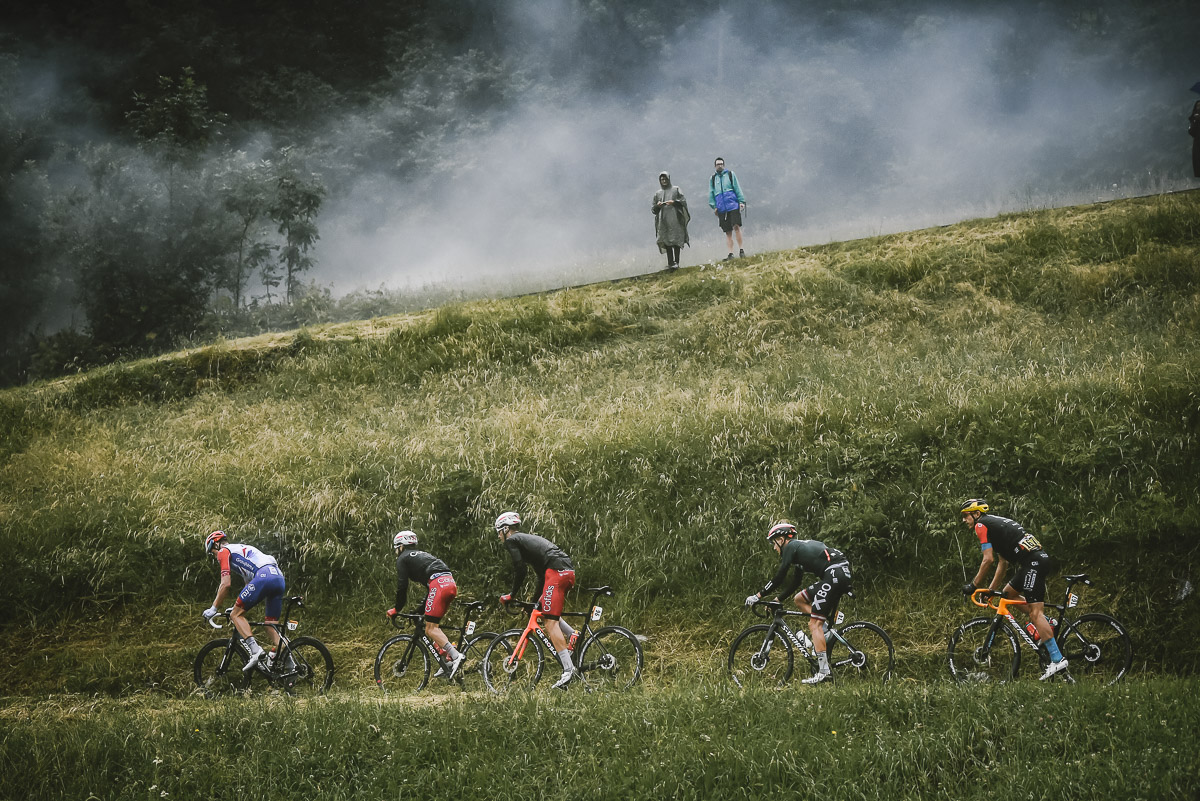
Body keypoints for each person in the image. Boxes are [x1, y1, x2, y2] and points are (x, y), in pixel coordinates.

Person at [959, 498, 1068, 680]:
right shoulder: (996, 526)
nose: (964, 520)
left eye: (965, 515)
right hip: (1034, 561)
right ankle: (1047, 623)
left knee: (1035, 613)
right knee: (1007, 595)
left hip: (1033, 563)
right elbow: (1002, 563)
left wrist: (974, 585)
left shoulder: (981, 526)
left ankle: (1056, 659)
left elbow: (988, 560)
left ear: (976, 514)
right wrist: (991, 590)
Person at [745, 521, 852, 684]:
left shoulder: (790, 547)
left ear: (781, 540)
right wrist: (777, 599)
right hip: (837, 572)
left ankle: (824, 671)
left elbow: (780, 575)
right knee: (799, 599)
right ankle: (826, 632)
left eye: (774, 544)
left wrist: (758, 595)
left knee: (813, 624)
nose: (774, 548)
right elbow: (794, 583)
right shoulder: (799, 552)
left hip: (834, 573)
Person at [494, 511, 579, 689]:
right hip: (566, 572)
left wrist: (512, 595)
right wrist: (533, 602)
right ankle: (572, 635)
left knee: (550, 623)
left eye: (499, 532)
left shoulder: (512, 541)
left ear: (506, 529)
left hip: (556, 572)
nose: (499, 536)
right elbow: (541, 578)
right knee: (547, 612)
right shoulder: (529, 544)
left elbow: (520, 569)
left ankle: (568, 670)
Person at [201, 530, 286, 674]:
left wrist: (214, 608)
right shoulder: (240, 551)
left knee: (236, 616)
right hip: (278, 577)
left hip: (264, 576)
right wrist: (234, 606)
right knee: (271, 626)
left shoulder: (223, 552)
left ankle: (255, 651)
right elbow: (249, 588)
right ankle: (291, 667)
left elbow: (225, 584)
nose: (214, 557)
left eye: (212, 553)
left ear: (215, 545)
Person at [386, 530, 465, 679]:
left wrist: (397, 608)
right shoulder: (422, 556)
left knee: (430, 629)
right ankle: (445, 661)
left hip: (439, 585)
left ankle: (455, 656)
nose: (397, 552)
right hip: (449, 584)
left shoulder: (402, 558)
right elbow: (430, 590)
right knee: (433, 625)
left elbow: (402, 586)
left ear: (400, 547)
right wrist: (418, 611)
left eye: (396, 549)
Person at [707, 156, 747, 261]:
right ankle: (730, 253)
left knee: (736, 227)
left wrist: (741, 201)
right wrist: (714, 206)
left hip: (733, 205)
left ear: (724, 165)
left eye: (721, 164)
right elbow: (711, 193)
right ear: (715, 166)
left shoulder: (730, 175)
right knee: (727, 231)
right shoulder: (713, 179)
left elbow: (737, 187)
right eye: (717, 164)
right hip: (721, 208)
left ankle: (741, 250)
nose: (719, 166)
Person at [652, 170, 690, 270]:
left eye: (665, 179)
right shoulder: (658, 193)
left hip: (675, 219)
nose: (664, 181)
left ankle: (676, 262)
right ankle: (670, 263)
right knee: (666, 240)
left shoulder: (676, 189)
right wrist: (658, 205)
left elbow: (683, 201)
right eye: (662, 179)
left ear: (669, 179)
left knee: (676, 240)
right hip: (663, 221)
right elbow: (653, 209)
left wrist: (674, 202)